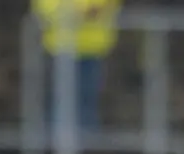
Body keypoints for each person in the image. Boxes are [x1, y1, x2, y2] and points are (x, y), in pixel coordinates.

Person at [33, 0, 120, 130]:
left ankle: (83, 145)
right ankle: (57, 145)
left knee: (87, 101)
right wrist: (75, 12)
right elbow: (44, 6)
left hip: (92, 49)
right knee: (58, 101)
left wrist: (89, 9)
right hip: (59, 48)